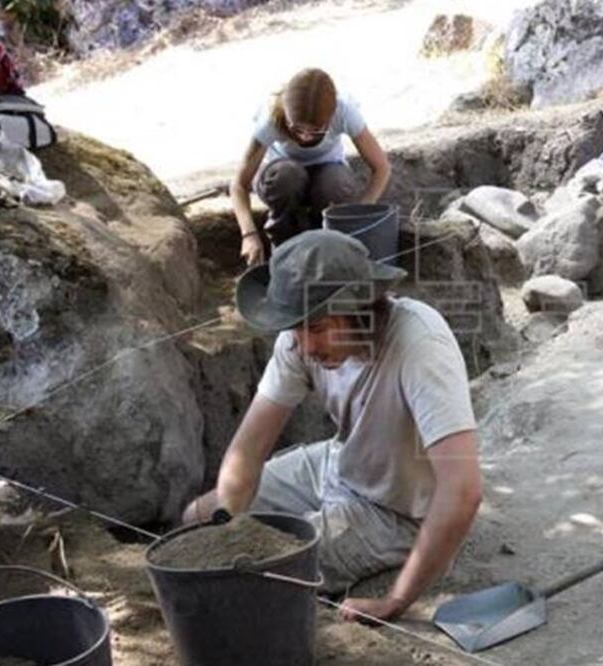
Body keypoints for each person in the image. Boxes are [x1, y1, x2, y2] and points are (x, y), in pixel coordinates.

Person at [182, 229, 482, 622]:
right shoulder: (299, 338)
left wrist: (395, 601)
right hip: (339, 463)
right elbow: (248, 450)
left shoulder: (419, 345)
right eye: (297, 328)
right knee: (197, 521)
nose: (305, 346)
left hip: (398, 510)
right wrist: (225, 524)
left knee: (261, 573)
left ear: (362, 308)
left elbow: (463, 491)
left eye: (319, 328)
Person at [232, 68, 392, 266]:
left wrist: (357, 216)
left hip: (327, 172)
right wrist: (249, 235)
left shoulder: (344, 111)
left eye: (316, 130)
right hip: (281, 176)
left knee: (335, 182)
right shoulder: (271, 119)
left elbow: (382, 168)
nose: (305, 137)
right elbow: (239, 185)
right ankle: (285, 254)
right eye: (297, 129)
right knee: (288, 175)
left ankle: (328, 254)